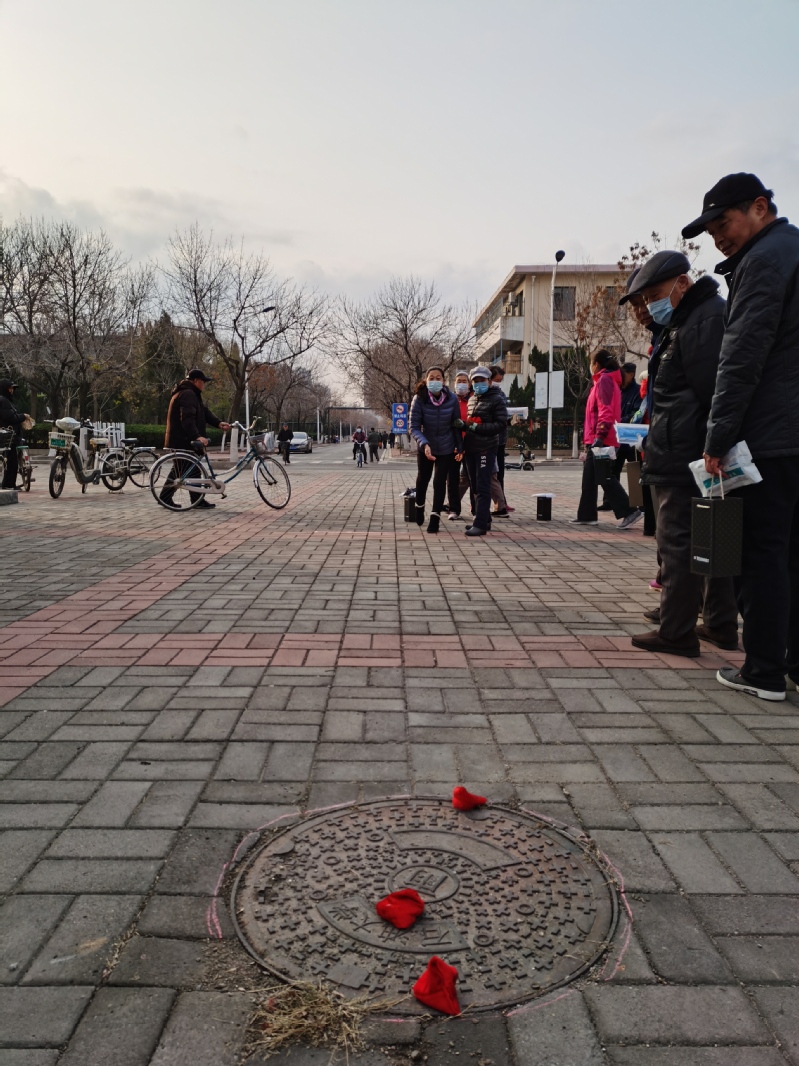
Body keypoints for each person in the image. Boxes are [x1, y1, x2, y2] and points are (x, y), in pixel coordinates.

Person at [682, 173, 799, 700]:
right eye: (710, 233)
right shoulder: (791, 251)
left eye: (723, 225)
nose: (718, 239)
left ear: (759, 207)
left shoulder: (764, 260)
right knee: (791, 553)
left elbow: (742, 356)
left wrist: (717, 437)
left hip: (771, 435)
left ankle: (764, 671)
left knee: (761, 555)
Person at [622, 250, 738, 658]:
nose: (646, 308)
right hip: (692, 449)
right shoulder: (692, 320)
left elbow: (716, 392)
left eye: (653, 297)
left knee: (678, 544)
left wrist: (715, 445)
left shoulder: (701, 322)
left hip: (687, 453)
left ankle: (677, 632)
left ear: (683, 284)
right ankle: (719, 623)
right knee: (713, 539)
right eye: (641, 301)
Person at [571, 350, 643, 529]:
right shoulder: (604, 381)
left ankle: (629, 511)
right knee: (589, 478)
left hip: (602, 438)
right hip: (597, 437)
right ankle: (587, 515)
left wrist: (600, 436)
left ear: (596, 364)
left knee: (604, 476)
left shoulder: (605, 380)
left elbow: (606, 410)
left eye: (591, 363)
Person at [163, 368, 231, 509]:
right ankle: (195, 501)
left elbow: (204, 412)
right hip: (183, 440)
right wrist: (197, 436)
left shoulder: (190, 393)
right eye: (202, 381)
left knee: (183, 469)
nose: (204, 384)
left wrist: (218, 423)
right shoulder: (188, 394)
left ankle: (168, 497)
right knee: (189, 469)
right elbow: (187, 418)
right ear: (195, 381)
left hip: (181, 440)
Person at [456, 365, 507, 537]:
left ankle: (480, 524)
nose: (479, 384)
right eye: (475, 381)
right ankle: (484, 519)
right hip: (471, 447)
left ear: (489, 381)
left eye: (482, 380)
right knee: (475, 485)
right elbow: (471, 423)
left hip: (487, 447)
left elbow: (500, 424)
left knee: (483, 484)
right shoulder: (472, 399)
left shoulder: (497, 399)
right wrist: (465, 426)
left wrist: (477, 427)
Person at [410, 366, 461, 533]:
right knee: (423, 479)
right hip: (427, 445)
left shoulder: (452, 398)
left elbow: (456, 424)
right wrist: (424, 444)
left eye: (438, 378)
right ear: (426, 381)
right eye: (431, 378)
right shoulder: (419, 398)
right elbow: (414, 427)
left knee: (439, 482)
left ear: (443, 381)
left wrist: (459, 446)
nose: (435, 381)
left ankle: (435, 518)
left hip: (446, 446)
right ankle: (419, 506)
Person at [447, 371, 472, 521]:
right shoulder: (450, 400)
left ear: (469, 384)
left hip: (471, 444)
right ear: (454, 384)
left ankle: (476, 508)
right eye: (459, 381)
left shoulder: (474, 400)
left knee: (472, 478)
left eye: (464, 381)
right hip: (453, 445)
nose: (461, 384)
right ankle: (453, 509)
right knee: (452, 478)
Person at [489, 364, 512, 519]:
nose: (498, 383)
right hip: (488, 439)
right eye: (496, 380)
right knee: (489, 474)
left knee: (499, 473)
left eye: (500, 380)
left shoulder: (501, 394)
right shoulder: (484, 394)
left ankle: (501, 502)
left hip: (500, 439)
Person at [0, 380, 28, 490]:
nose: (12, 390)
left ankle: (10, 483)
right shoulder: (4, 401)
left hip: (11, 437)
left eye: (12, 388)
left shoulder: (6, 400)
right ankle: (8, 484)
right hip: (9, 437)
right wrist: (23, 416)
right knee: (11, 462)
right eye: (10, 388)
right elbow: (10, 417)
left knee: (12, 461)